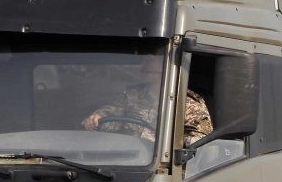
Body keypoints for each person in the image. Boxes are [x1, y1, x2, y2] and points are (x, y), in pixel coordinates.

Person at [83, 62, 213, 146]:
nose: (144, 65)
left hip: (162, 169)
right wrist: (98, 117)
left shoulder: (187, 103)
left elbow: (199, 143)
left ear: (166, 67)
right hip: (124, 160)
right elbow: (113, 111)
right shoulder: (131, 95)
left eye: (151, 61)